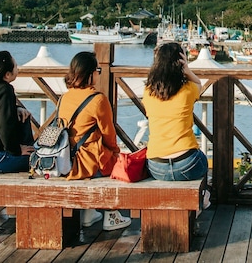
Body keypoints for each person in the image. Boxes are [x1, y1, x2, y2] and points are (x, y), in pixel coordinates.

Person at [59, 51, 131, 231]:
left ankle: (90, 212)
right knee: (118, 163)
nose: (99, 73)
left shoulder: (65, 97)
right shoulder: (98, 99)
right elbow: (109, 134)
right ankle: (111, 214)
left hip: (64, 160)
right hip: (87, 163)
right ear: (90, 73)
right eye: (98, 70)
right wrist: (115, 153)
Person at [142, 42, 207, 181]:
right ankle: (205, 196)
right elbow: (199, 84)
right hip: (187, 163)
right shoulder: (188, 90)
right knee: (203, 162)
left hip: (156, 166)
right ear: (181, 62)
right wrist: (188, 70)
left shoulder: (148, 92)